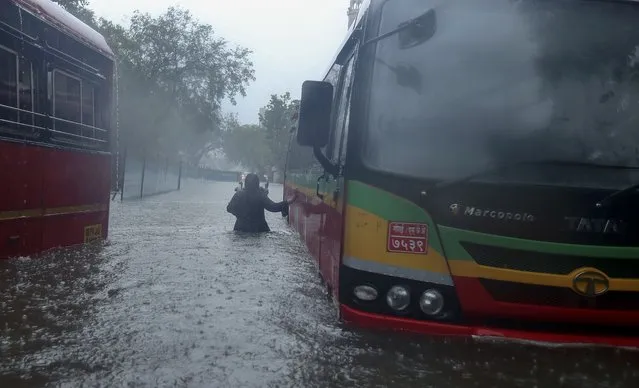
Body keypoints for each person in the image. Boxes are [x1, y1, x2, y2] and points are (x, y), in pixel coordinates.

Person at [227, 173, 296, 232]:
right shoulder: (260, 195)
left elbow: (229, 208)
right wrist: (288, 201)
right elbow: (273, 207)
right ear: (257, 183)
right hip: (259, 229)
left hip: (240, 228)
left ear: (246, 183)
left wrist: (240, 215)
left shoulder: (238, 194)